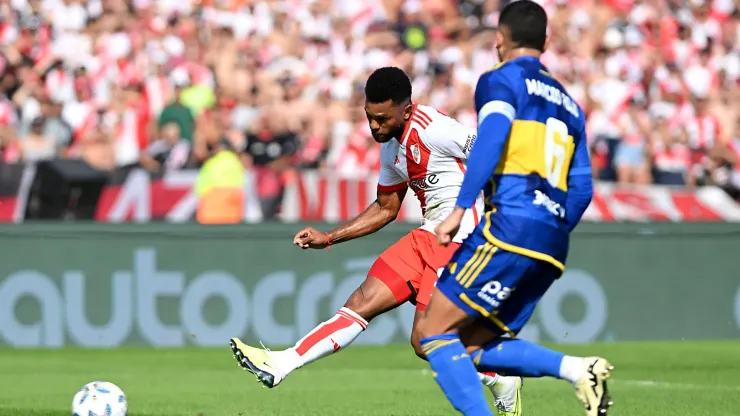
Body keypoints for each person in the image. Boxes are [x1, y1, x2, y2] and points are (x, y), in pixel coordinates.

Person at [230, 67, 523, 415]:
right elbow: (387, 208)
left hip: (460, 239)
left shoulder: (436, 129)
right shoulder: (391, 149)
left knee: (425, 340)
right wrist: (329, 237)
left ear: (407, 110)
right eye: (370, 118)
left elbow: (492, 153)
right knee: (362, 299)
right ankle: (281, 364)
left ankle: (499, 375)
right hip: (428, 235)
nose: (374, 127)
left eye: (382, 119)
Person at [412, 2, 613, 416]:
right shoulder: (570, 104)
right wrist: (550, 228)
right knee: (472, 345)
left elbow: (493, 134)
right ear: (546, 41)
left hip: (511, 224)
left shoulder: (500, 80)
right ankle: (579, 369)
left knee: (431, 333)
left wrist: (460, 207)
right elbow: (582, 189)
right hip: (552, 240)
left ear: (499, 40)